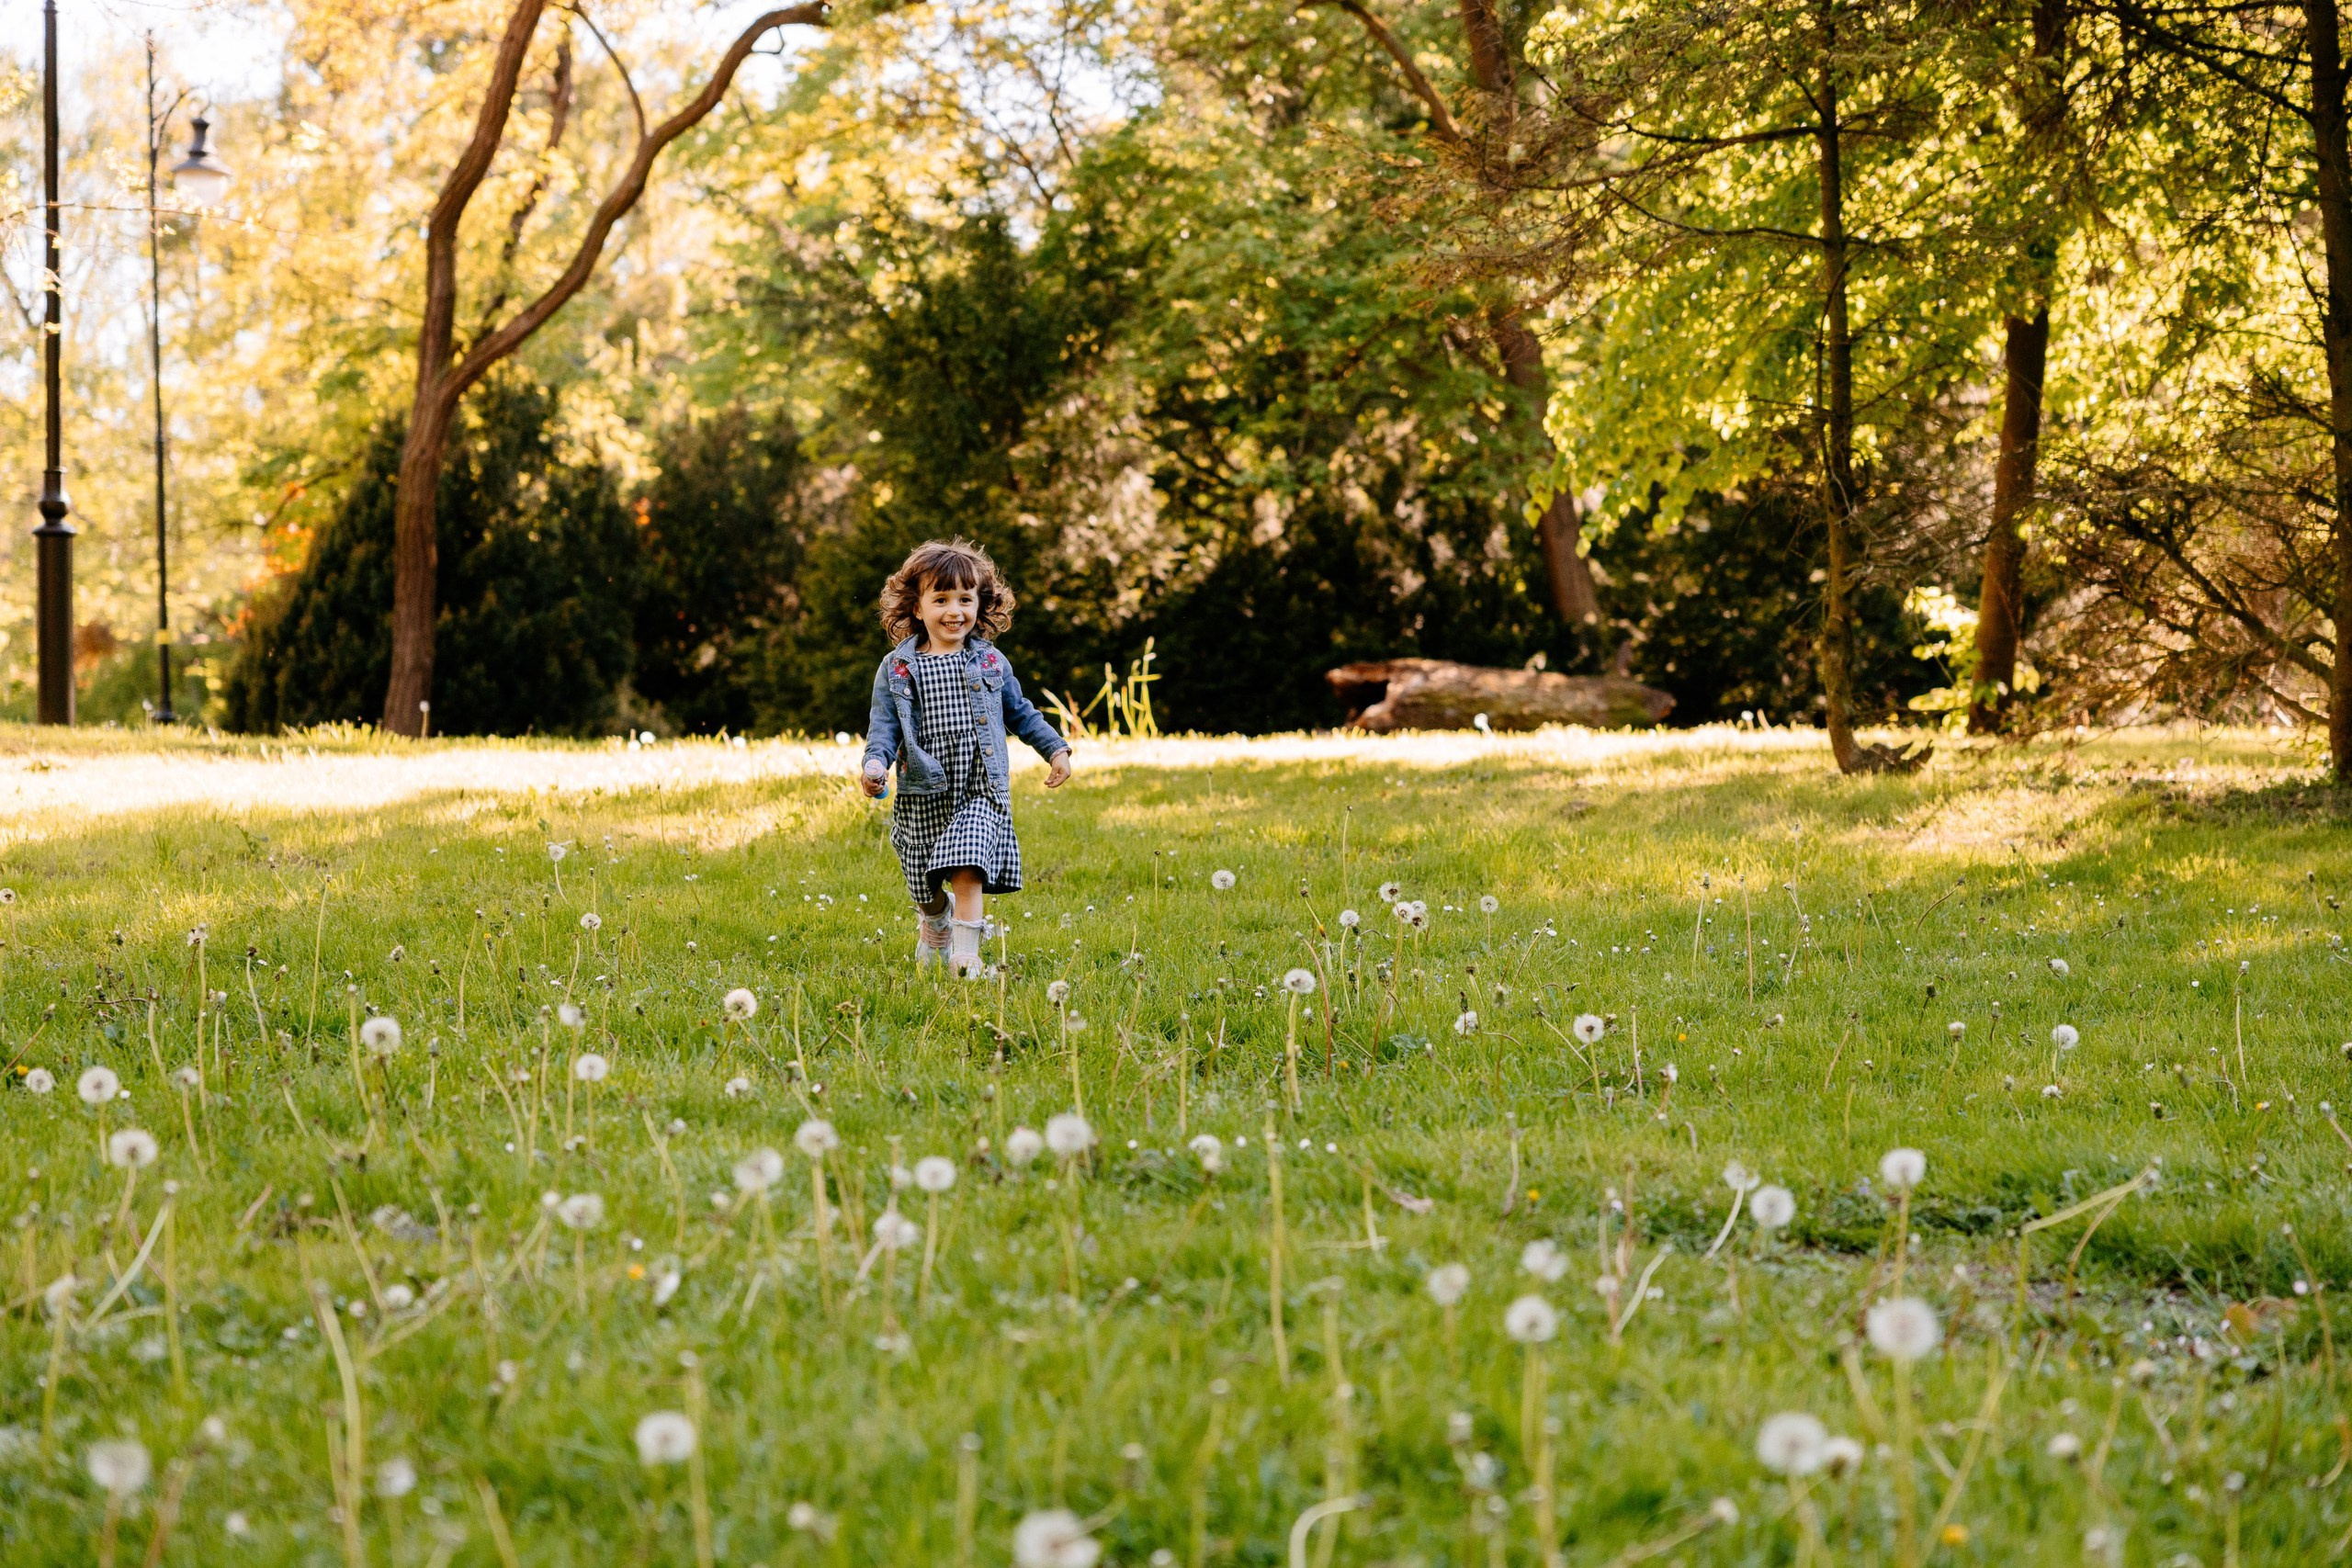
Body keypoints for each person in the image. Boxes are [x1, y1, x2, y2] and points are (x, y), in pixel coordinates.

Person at [861, 538, 1072, 975]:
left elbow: (1021, 711)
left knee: (968, 862)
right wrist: (874, 765)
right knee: (922, 881)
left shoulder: (991, 661)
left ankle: (966, 958)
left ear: (980, 603)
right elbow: (884, 728)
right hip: (924, 789)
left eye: (965, 599)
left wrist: (1055, 749)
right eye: (941, 599)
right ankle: (936, 919)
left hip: (980, 785)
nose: (954, 610)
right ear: (917, 608)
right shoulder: (897, 668)